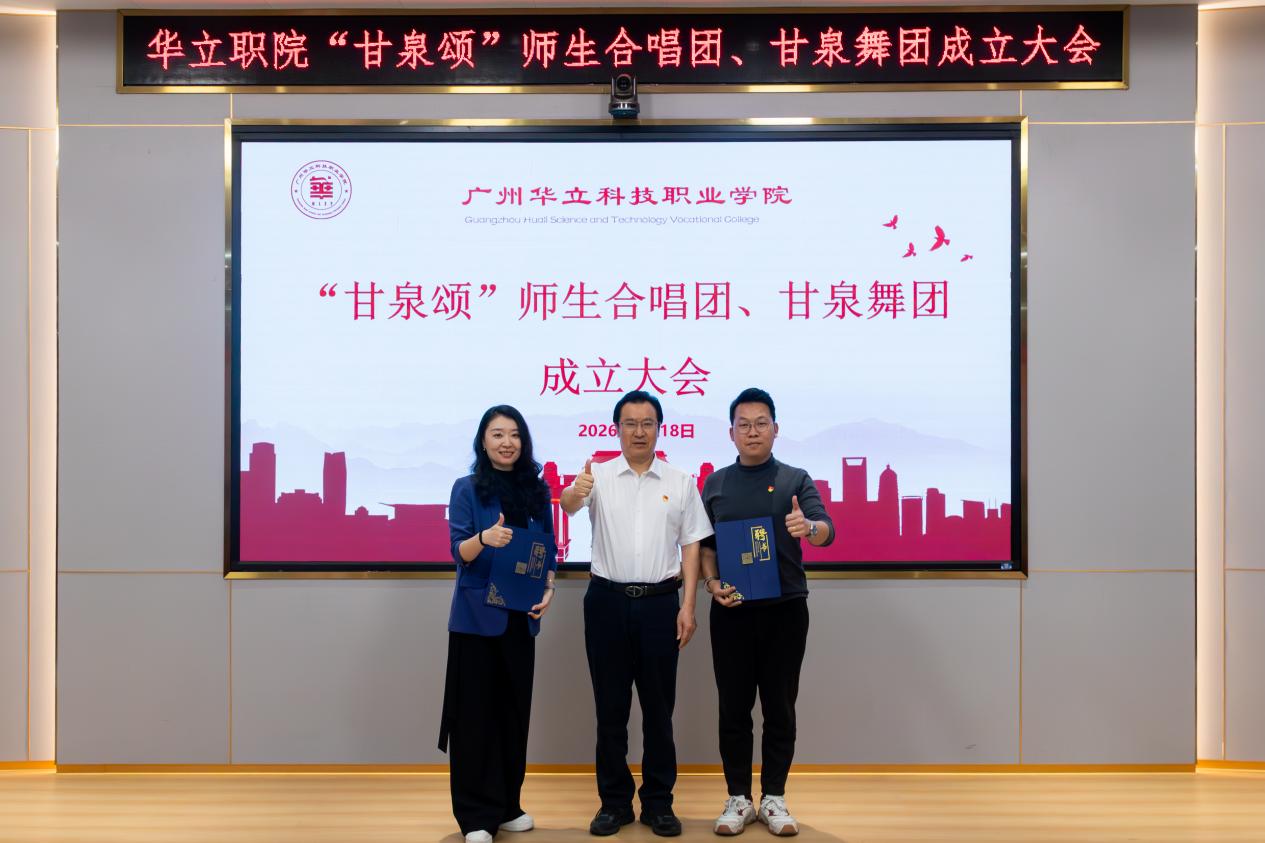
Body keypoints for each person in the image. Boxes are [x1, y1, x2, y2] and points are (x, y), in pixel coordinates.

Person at [560, 390, 714, 838]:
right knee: (610, 709)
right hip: (606, 602)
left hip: (661, 604)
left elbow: (692, 545)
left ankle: (658, 803)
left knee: (659, 710)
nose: (639, 431)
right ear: (617, 429)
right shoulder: (598, 475)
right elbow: (567, 506)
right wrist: (574, 491)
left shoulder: (680, 481)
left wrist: (688, 605)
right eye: (630, 423)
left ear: (659, 428)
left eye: (647, 423)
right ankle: (613, 804)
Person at [698, 388, 834, 837]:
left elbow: (826, 530)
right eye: (744, 424)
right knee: (733, 708)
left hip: (785, 610)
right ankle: (738, 798)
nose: (752, 431)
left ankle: (774, 796)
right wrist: (711, 584)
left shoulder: (795, 479)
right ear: (731, 433)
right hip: (732, 610)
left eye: (761, 423)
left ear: (775, 429)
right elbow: (705, 548)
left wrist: (807, 527)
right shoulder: (715, 484)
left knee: (780, 707)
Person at [440, 405, 558, 843]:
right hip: (476, 621)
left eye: (514, 435)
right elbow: (459, 551)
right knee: (474, 718)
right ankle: (475, 816)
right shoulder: (467, 488)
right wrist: (484, 538)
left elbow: (548, 549)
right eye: (497, 434)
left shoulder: (536, 490)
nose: (507, 442)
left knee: (513, 714)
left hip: (520, 618)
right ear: (483, 442)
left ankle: (508, 804)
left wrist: (549, 588)